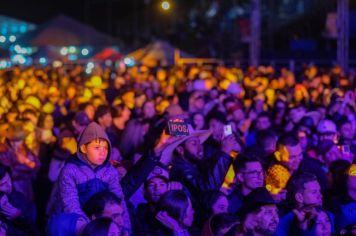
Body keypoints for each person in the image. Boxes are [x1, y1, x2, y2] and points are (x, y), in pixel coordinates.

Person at [48, 122, 131, 231]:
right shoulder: (70, 170)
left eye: (105, 148)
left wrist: (126, 229)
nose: (103, 152)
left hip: (102, 224)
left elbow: (119, 200)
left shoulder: (110, 171)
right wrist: (89, 229)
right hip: (77, 226)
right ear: (83, 148)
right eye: (97, 148)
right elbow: (70, 204)